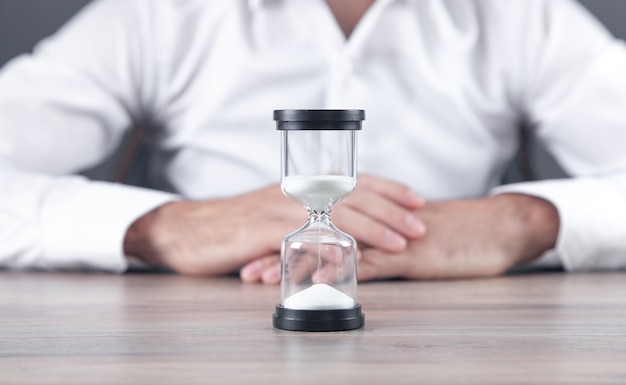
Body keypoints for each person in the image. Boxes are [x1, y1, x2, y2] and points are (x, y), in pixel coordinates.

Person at [1, 0, 625, 284]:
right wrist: (160, 227)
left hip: (459, 325)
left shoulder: (522, 16)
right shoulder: (154, 17)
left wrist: (523, 221)